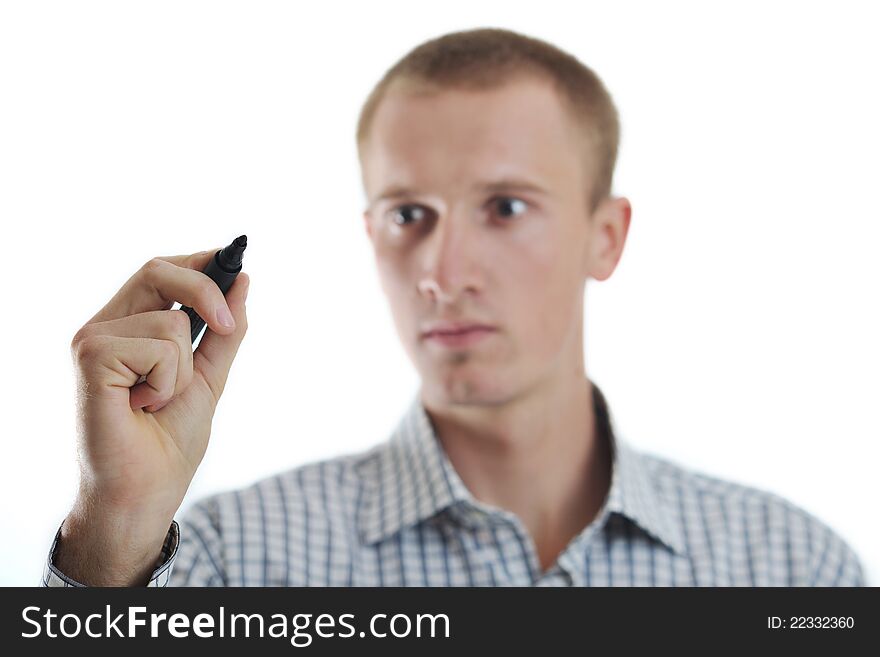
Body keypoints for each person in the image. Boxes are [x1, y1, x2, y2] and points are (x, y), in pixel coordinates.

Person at [42, 28, 864, 587]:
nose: (443, 271)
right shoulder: (225, 563)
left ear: (605, 237)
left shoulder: (792, 568)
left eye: (505, 207)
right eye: (409, 215)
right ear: (372, 235)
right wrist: (112, 527)